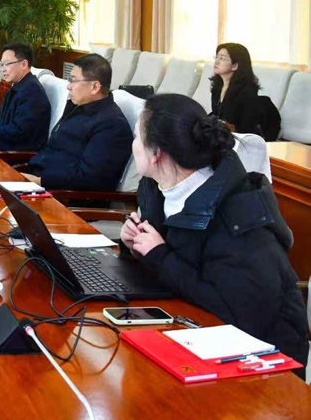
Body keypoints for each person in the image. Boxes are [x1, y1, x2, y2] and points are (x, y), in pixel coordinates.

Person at [120, 94, 307, 378]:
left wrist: (158, 255)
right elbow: (171, 265)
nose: (132, 144)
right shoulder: (158, 187)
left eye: (136, 136)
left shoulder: (237, 216)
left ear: (157, 153)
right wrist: (135, 245)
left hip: (264, 365)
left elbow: (240, 315)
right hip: (194, 333)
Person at [22, 53, 132, 190]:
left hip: (60, 194)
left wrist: (40, 181)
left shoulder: (112, 125)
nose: (68, 86)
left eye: (73, 81)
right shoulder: (77, 107)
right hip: (37, 178)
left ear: (94, 87)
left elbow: (90, 178)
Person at [0, 43, 51, 152]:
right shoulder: (17, 88)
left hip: (12, 153)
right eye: (2, 65)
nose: (3, 69)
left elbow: (18, 130)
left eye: (7, 64)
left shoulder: (32, 92)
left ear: (24, 64)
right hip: (0, 143)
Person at [210, 42, 279, 138]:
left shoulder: (246, 92)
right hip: (225, 136)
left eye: (222, 58)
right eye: (217, 57)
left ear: (235, 66)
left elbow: (246, 128)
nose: (216, 62)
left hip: (244, 138)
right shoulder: (217, 88)